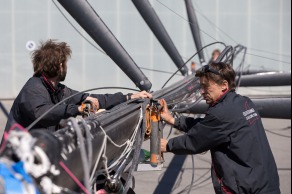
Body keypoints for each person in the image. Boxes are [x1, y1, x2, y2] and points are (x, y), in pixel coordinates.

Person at [160, 62, 280, 194]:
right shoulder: (243, 102)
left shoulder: (221, 113)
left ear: (224, 85)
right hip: (267, 183)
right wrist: (173, 120)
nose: (202, 91)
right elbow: (208, 128)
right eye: (201, 86)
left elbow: (196, 140)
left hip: (247, 189)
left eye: (206, 86)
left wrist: (167, 145)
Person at [4, 39, 152, 132]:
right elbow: (43, 113)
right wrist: (78, 109)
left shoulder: (58, 90)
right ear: (60, 66)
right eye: (65, 63)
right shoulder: (33, 88)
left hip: (38, 152)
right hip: (18, 160)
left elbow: (92, 98)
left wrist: (129, 97)